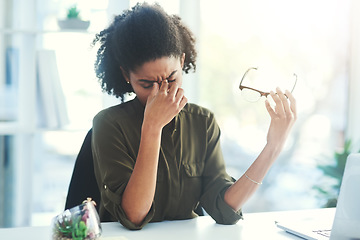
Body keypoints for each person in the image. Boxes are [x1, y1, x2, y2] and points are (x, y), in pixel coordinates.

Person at [91, 2, 296, 230]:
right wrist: (152, 128)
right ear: (126, 75)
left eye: (171, 79)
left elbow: (224, 210)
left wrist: (273, 147)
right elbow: (134, 216)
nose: (163, 92)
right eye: (147, 84)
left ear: (181, 61)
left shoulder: (202, 122)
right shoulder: (109, 124)